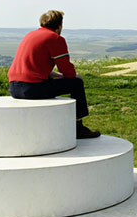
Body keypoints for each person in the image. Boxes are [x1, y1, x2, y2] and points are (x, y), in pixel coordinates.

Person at [8, 10, 100, 138]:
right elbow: (66, 69)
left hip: (14, 88)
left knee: (66, 82)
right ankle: (78, 127)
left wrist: (58, 76)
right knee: (77, 83)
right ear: (60, 25)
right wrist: (74, 76)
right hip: (32, 89)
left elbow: (35, 67)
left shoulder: (30, 35)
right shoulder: (55, 38)